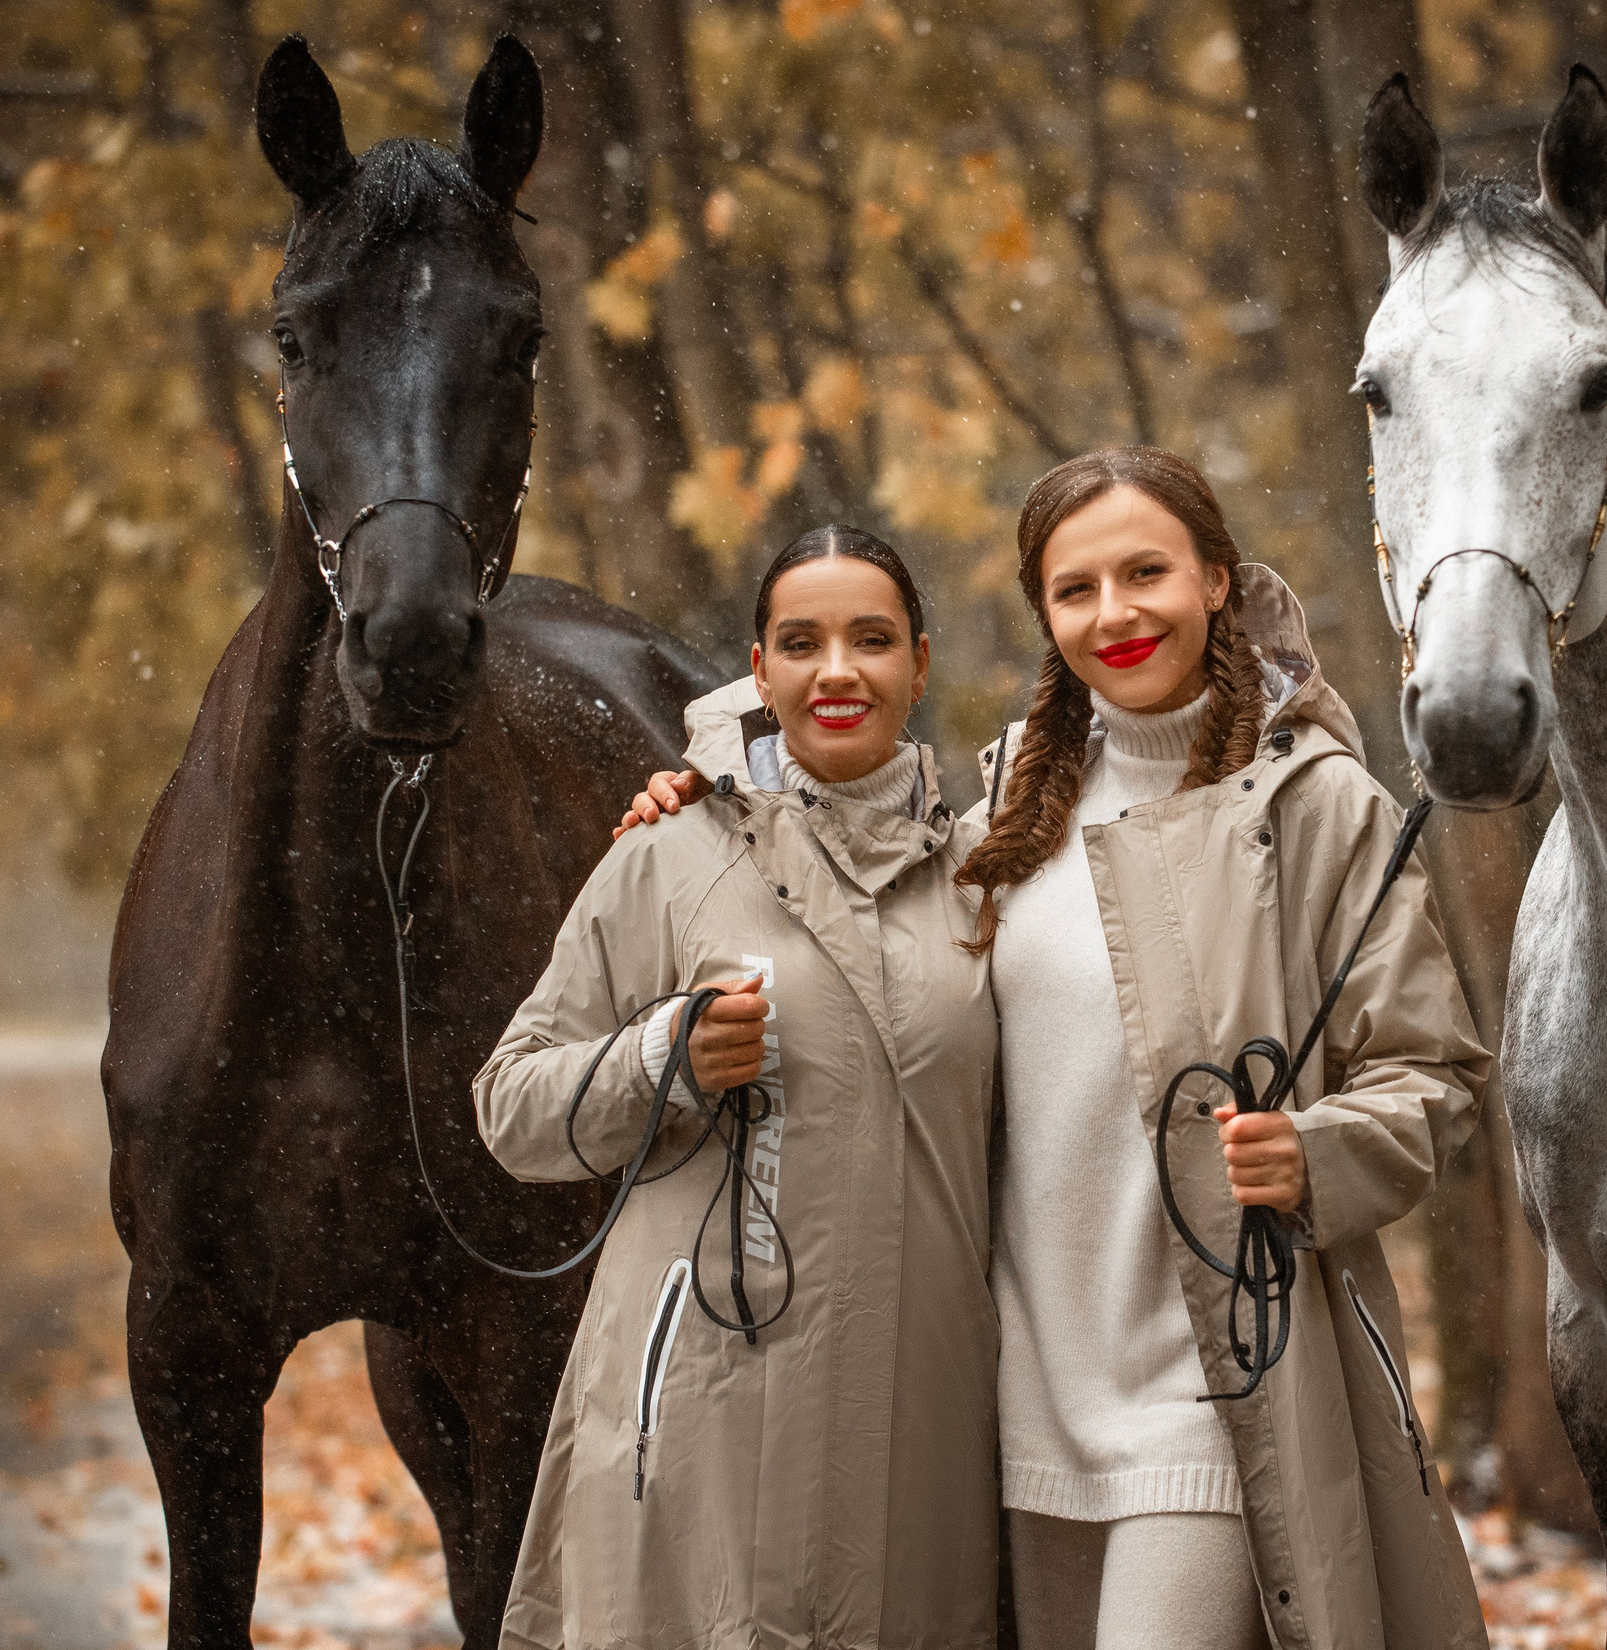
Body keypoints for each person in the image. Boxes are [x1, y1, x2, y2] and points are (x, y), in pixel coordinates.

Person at [620, 449, 1492, 1650]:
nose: (1115, 614)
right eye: (1075, 590)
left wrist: (1319, 1149)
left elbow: (1434, 1072)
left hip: (1214, 1389)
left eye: (1148, 573)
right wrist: (702, 788)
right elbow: (827, 850)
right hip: (1010, 1405)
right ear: (1045, 616)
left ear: (1220, 584)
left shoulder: (1315, 809)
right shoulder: (994, 829)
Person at [473, 525, 1001, 1650]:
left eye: (871, 639)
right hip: (699, 1391)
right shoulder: (669, 850)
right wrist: (662, 1054)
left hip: (920, 1410)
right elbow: (511, 1108)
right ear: (758, 672)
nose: (837, 671)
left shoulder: (987, 878)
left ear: (918, 659)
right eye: (800, 642)